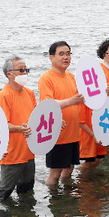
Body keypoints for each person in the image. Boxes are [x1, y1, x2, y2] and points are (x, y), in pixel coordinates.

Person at [38, 41, 85, 185]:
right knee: (55, 172)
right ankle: (54, 199)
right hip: (57, 134)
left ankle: (66, 196)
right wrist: (71, 101)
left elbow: (81, 98)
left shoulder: (70, 76)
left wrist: (101, 94)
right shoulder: (47, 78)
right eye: (61, 54)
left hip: (73, 132)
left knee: (70, 168)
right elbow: (47, 104)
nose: (66, 57)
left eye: (68, 54)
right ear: (51, 58)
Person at [0, 56, 37, 201]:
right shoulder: (4, 96)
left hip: (29, 152)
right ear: (9, 74)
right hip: (12, 155)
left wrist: (54, 122)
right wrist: (20, 128)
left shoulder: (30, 93)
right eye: (21, 70)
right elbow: (1, 125)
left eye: (26, 70)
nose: (24, 73)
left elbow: (36, 118)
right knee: (4, 194)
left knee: (26, 191)